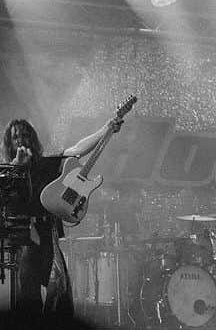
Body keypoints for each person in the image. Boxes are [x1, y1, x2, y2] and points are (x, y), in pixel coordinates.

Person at [0, 112, 124, 312]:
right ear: (9, 143)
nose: (21, 141)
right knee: (28, 296)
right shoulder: (7, 173)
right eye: (15, 137)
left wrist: (105, 129)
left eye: (24, 135)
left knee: (59, 293)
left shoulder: (47, 164)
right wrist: (17, 167)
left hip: (48, 235)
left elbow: (77, 150)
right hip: (24, 239)